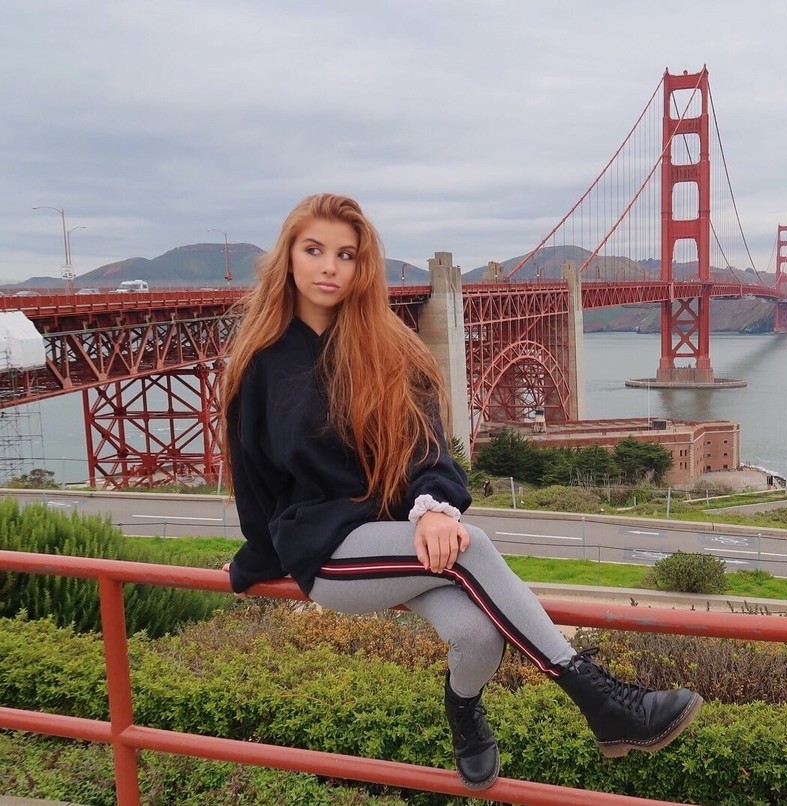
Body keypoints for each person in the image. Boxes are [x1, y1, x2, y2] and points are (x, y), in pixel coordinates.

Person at [219, 193, 702, 791]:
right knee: (471, 547)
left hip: (397, 536)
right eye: (314, 249)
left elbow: (428, 448)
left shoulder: (389, 347)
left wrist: (431, 509)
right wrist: (254, 559)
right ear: (287, 256)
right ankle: (605, 704)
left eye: (346, 255)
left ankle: (464, 713)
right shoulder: (259, 364)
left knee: (477, 636)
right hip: (325, 549)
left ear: (363, 267)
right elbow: (255, 479)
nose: (329, 267)